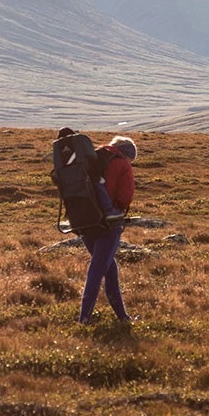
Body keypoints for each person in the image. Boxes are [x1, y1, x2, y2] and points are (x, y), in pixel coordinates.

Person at [79, 136, 138, 325]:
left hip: (85, 221)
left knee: (109, 269)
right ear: (127, 154)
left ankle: (122, 317)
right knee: (97, 270)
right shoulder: (122, 164)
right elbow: (125, 196)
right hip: (108, 224)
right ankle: (84, 319)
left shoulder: (93, 158)